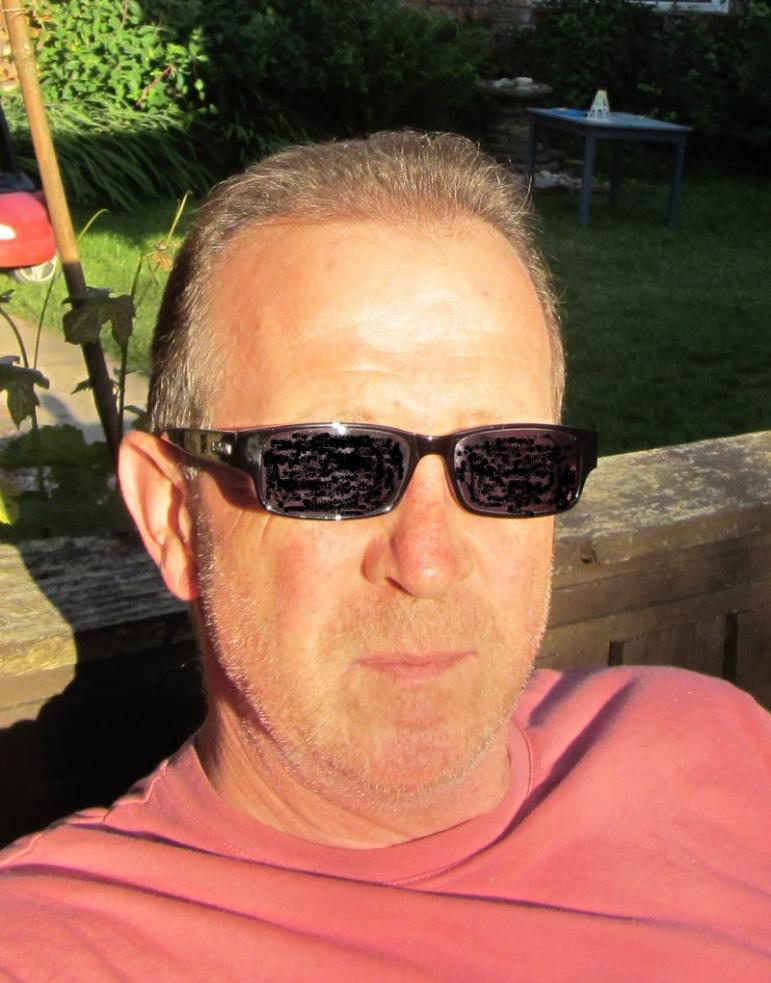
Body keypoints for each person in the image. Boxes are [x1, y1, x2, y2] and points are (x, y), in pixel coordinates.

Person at [0, 131, 769, 981]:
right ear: (173, 516)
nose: (427, 562)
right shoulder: (50, 946)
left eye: (506, 461)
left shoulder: (711, 743)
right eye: (332, 466)